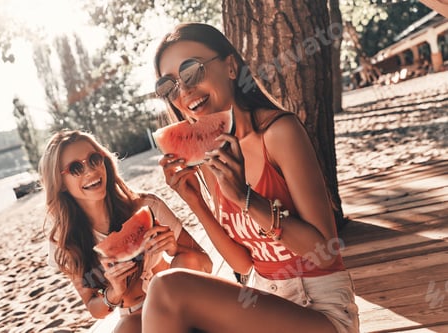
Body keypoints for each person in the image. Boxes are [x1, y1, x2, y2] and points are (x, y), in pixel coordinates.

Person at [142, 23, 360, 333]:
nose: (184, 91)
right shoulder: (210, 155)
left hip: (319, 308)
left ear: (231, 66)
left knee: (167, 288)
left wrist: (246, 198)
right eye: (169, 86)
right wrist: (195, 202)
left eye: (191, 72)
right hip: (261, 300)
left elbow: (323, 252)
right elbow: (244, 264)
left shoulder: (279, 132)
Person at [39, 129, 212, 333]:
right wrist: (114, 292)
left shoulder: (148, 206)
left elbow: (205, 264)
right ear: (61, 184)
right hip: (135, 317)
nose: (90, 171)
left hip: (178, 298)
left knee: (183, 263)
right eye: (76, 168)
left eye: (94, 159)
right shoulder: (64, 240)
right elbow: (94, 307)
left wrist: (174, 249)